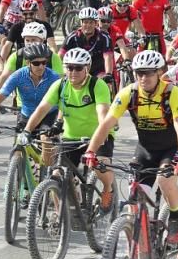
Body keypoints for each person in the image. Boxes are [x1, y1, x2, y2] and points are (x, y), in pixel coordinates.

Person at [84, 50, 178, 243]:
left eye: (149, 73)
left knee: (165, 181)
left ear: (159, 72)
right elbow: (107, 123)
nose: (143, 77)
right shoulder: (128, 93)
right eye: (139, 73)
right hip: (145, 150)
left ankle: (175, 217)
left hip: (171, 149)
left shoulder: (172, 93)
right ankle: (139, 253)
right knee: (134, 197)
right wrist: (91, 151)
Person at [23, 47, 116, 210]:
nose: (73, 72)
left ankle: (109, 189)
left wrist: (97, 143)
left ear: (87, 68)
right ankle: (61, 215)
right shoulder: (60, 85)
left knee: (99, 166)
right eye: (69, 67)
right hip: (70, 138)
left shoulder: (97, 85)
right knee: (57, 175)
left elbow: (103, 115)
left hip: (98, 136)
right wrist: (27, 131)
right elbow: (41, 109)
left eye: (78, 68)